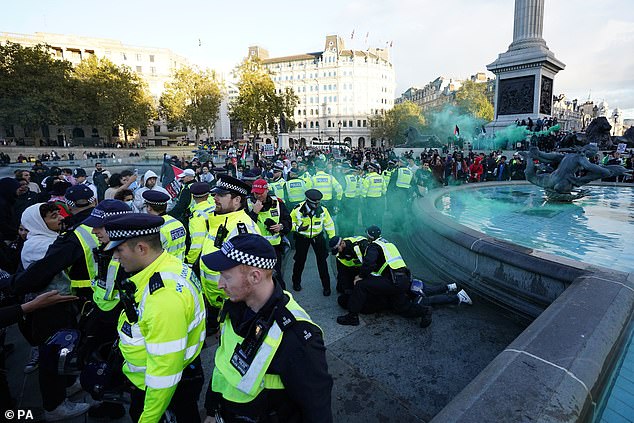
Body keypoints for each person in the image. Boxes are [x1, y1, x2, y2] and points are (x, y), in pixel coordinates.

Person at [201, 233, 333, 423]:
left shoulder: (297, 336)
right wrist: (212, 410)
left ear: (255, 276)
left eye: (226, 276)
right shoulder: (233, 307)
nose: (220, 285)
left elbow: (317, 410)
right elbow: (223, 364)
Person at [103, 214, 206, 422]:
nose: (115, 257)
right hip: (179, 376)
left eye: (119, 249)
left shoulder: (162, 297)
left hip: (161, 388)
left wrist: (148, 418)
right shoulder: (169, 265)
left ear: (141, 248)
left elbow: (165, 371)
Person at [197, 175, 260, 333]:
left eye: (221, 195)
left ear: (237, 200)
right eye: (215, 194)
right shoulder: (218, 219)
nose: (215, 198)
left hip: (231, 302)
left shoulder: (242, 229)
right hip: (213, 297)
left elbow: (250, 277)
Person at [336, 225, 433, 327]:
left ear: (370, 237)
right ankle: (425, 311)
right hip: (404, 280)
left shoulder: (373, 246)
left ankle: (352, 317)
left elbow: (369, 263)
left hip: (393, 280)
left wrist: (360, 276)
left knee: (361, 285)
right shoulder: (388, 244)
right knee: (400, 307)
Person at [248, 179, 292, 289]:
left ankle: (281, 299)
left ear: (267, 190)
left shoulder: (277, 203)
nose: (257, 195)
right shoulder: (248, 203)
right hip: (255, 248)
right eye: (255, 192)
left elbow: (288, 221)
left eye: (260, 192)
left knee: (276, 276)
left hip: (274, 248)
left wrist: (281, 226)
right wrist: (254, 213)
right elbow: (243, 227)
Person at [290, 189, 335, 295]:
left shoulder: (323, 210)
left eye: (318, 203)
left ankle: (326, 287)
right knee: (299, 261)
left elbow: (329, 224)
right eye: (314, 203)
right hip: (302, 238)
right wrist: (297, 228)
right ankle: (296, 282)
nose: (316, 205)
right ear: (307, 201)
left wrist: (331, 238)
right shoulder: (297, 209)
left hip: (318, 238)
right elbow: (289, 222)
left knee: (322, 262)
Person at [142, 190, 187, 261]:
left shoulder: (156, 229)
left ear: (149, 208)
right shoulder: (177, 223)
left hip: (164, 268)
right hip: (180, 265)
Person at [186, 182, 215, 265]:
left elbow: (197, 242)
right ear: (207, 195)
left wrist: (190, 260)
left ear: (193, 196)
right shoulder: (213, 207)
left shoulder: (197, 216)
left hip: (205, 255)